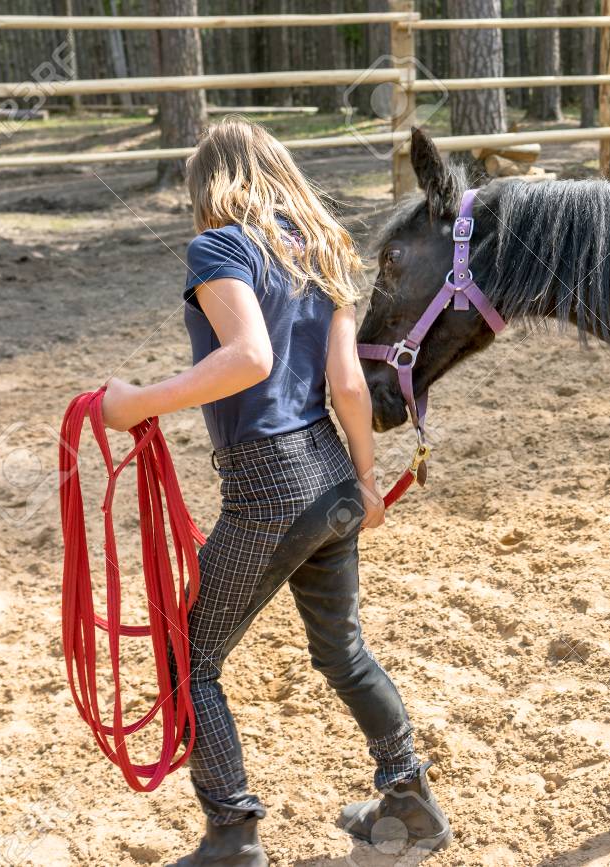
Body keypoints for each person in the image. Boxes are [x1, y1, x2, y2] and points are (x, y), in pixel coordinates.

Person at [100, 118, 450, 866]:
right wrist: (363, 478)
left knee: (187, 660)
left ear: (210, 186)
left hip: (268, 484)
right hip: (329, 473)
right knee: (344, 651)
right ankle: (410, 801)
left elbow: (249, 358)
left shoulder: (218, 246)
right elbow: (349, 384)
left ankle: (232, 832)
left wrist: (138, 403)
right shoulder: (323, 250)